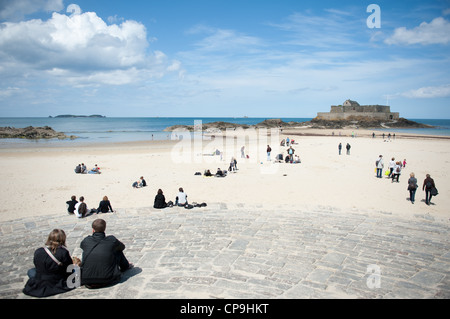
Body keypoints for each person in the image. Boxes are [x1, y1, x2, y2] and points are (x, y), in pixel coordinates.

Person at [80, 219, 133, 289]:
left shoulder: (86, 240)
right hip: (108, 278)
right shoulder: (111, 240)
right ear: (104, 229)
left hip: (87, 280)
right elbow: (122, 247)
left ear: (93, 230)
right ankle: (125, 266)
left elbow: (82, 246)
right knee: (118, 251)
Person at [23, 229, 76, 297]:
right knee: (76, 270)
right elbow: (69, 270)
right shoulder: (63, 252)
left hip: (41, 279)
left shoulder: (39, 251)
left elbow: (37, 265)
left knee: (31, 271)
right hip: (55, 281)